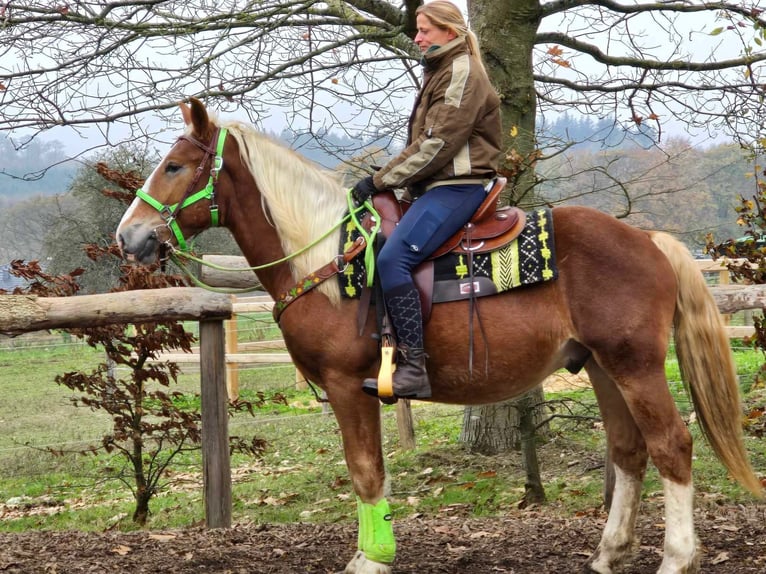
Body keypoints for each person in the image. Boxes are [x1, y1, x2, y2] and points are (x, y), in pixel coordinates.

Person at [351, 0, 502, 401]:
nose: (417, 38)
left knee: (393, 259)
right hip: (436, 187)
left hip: (458, 187)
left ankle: (414, 369)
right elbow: (424, 143)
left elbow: (437, 143)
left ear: (449, 32)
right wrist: (385, 181)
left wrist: (380, 178)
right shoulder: (443, 69)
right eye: (418, 31)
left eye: (425, 31)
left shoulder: (461, 72)